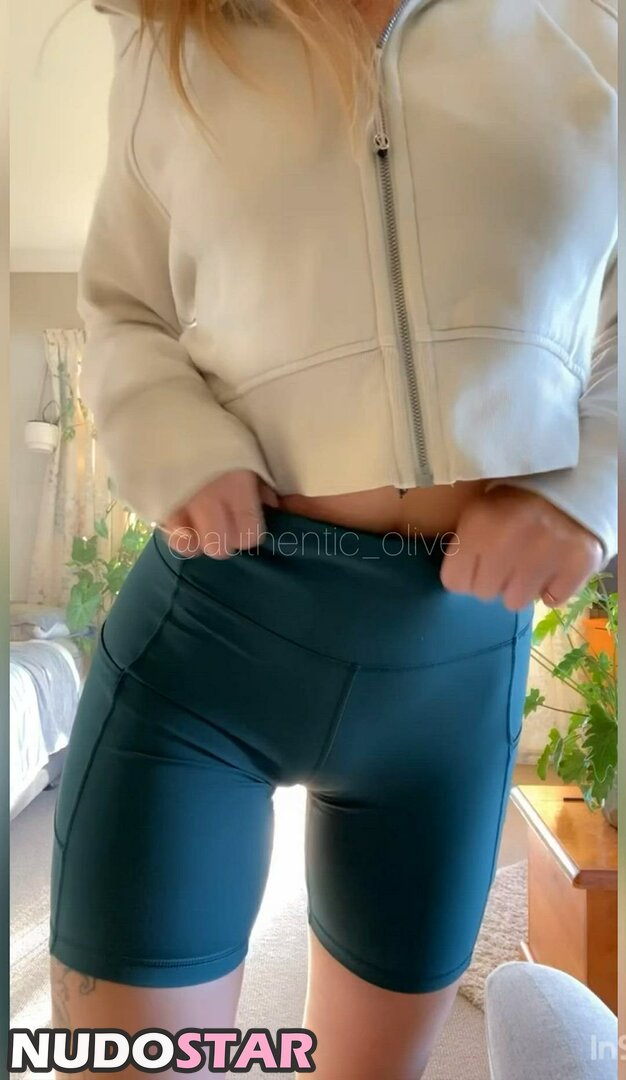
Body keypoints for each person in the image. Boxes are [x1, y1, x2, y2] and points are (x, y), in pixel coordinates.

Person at [48, 0, 617, 1076]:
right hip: (214, 635)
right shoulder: (174, 36)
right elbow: (125, 306)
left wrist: (591, 478)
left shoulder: (592, 34)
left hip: (454, 667)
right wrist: (177, 442)